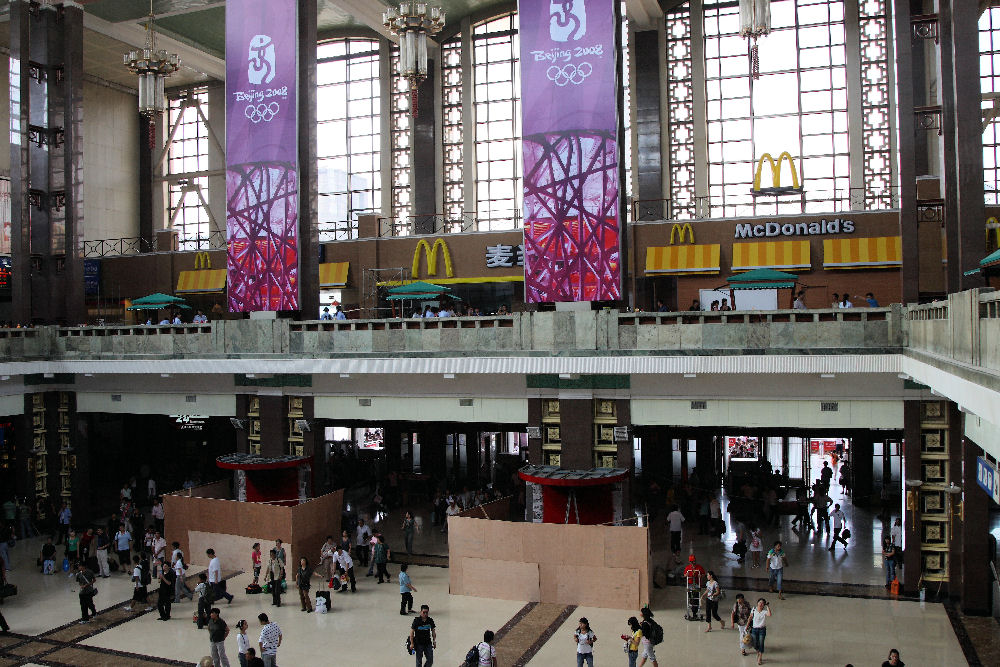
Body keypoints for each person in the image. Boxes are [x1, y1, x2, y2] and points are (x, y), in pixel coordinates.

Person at [750, 598, 772, 665]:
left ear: (764, 605)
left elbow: (769, 614)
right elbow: (750, 617)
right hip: (754, 629)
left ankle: (760, 657)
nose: (761, 604)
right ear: (757, 603)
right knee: (754, 643)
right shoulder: (753, 609)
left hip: (762, 629)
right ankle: (758, 652)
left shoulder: (764, 612)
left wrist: (768, 606)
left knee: (761, 643)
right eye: (760, 602)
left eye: (762, 603)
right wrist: (747, 626)